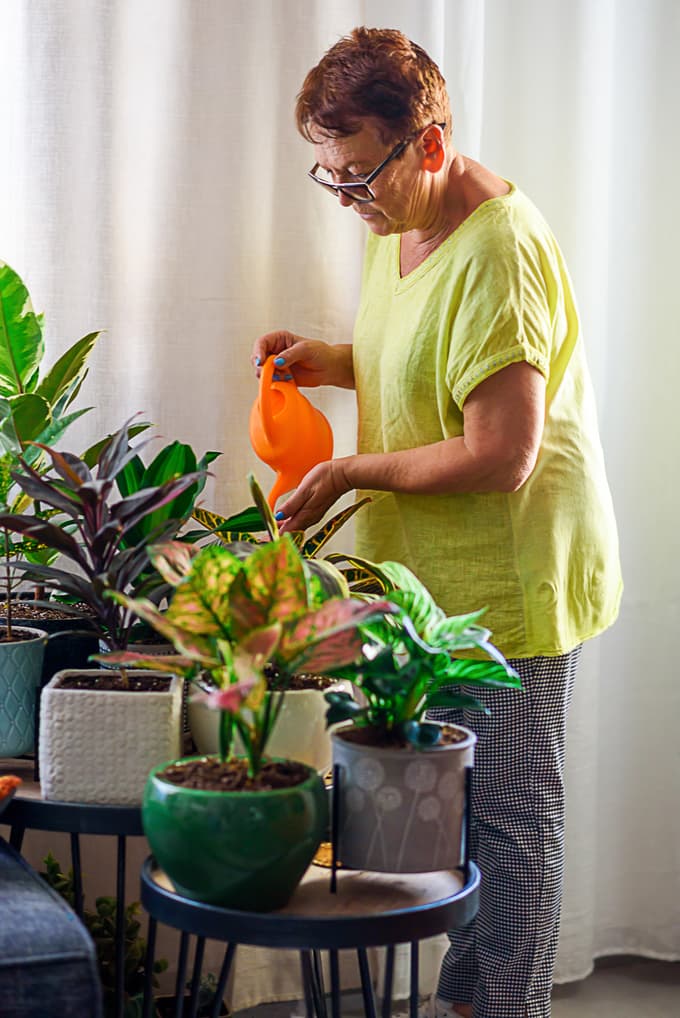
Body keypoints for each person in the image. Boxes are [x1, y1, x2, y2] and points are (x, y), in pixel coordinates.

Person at [251, 26, 622, 1018]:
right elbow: (421, 351)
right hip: (429, 575)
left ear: (426, 143)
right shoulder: (395, 215)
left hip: (508, 574)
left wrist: (346, 471)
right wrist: (331, 359)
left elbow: (499, 454)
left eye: (356, 177)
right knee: (451, 817)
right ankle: (466, 1003)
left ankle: (505, 1009)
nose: (345, 201)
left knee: (505, 822)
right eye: (327, 178)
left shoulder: (496, 252)